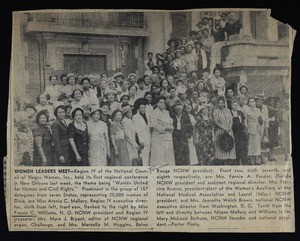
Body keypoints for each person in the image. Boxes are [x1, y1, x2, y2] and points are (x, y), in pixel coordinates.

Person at [149, 97, 175, 166]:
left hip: (168, 136)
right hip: (158, 136)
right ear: (157, 104)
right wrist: (166, 128)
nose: (162, 104)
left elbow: (170, 123)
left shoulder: (166, 112)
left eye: (163, 102)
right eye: (160, 102)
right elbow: (155, 125)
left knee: (168, 155)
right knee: (159, 155)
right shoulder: (154, 113)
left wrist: (170, 128)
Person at [213, 97, 236, 165]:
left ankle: (228, 160)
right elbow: (216, 121)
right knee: (220, 144)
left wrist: (229, 127)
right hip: (221, 130)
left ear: (224, 103)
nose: (221, 104)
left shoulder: (228, 110)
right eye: (219, 103)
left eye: (222, 103)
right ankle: (221, 161)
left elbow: (231, 120)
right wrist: (223, 128)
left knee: (229, 143)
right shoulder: (216, 111)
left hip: (229, 130)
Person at [133, 98, 151, 166]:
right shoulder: (135, 117)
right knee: (143, 157)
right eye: (141, 108)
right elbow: (137, 131)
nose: (143, 109)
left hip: (148, 138)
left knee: (148, 156)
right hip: (142, 139)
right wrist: (140, 142)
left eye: (144, 107)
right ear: (138, 108)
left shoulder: (148, 115)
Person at [231, 100, 248, 165]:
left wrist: (245, 128)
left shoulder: (240, 112)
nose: (235, 106)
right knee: (234, 145)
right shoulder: (230, 112)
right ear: (232, 106)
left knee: (240, 145)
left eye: (236, 105)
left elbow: (244, 121)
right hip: (233, 131)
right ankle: (234, 160)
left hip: (240, 131)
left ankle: (240, 160)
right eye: (234, 105)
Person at [245, 98, 262, 165]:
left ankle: (257, 160)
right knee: (251, 144)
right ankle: (252, 160)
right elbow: (245, 120)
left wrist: (260, 128)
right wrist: (246, 128)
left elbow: (259, 119)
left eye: (253, 101)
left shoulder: (258, 110)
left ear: (255, 102)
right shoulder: (247, 110)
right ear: (248, 103)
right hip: (250, 127)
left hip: (257, 127)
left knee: (257, 144)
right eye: (250, 101)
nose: (251, 102)